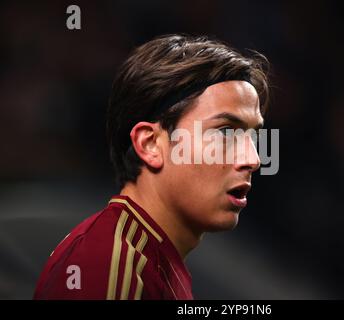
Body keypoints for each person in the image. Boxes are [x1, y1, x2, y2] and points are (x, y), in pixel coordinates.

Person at [33, 34, 270, 300]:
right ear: (150, 144)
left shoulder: (147, 260)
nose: (254, 159)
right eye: (226, 133)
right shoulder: (111, 266)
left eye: (253, 137)